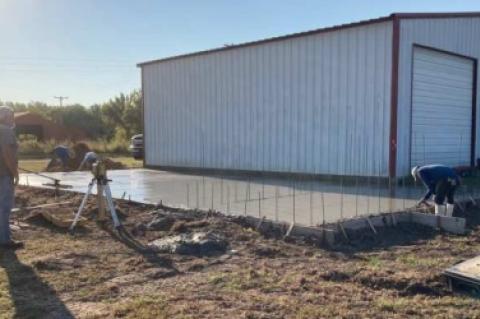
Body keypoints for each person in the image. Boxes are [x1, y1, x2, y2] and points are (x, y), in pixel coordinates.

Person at [0, 106, 23, 249]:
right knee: (4, 207)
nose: (13, 119)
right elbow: (7, 153)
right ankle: (4, 239)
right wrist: (15, 173)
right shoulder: (6, 131)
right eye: (12, 116)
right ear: (5, 117)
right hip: (4, 174)